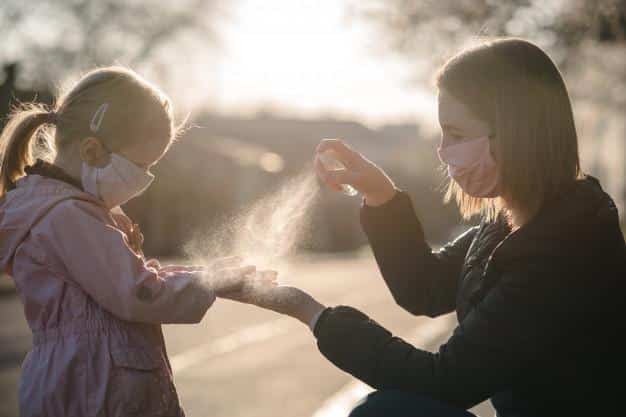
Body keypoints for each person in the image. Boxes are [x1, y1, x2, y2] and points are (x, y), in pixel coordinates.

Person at [222, 38, 626, 416]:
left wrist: (308, 312)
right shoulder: (510, 223)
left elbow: (446, 381)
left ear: (516, 132)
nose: (443, 150)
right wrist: (381, 195)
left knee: (387, 412)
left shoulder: (566, 246)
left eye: (456, 134)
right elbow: (426, 288)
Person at [0, 67, 269, 417]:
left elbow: (130, 279)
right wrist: (209, 282)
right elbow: (136, 292)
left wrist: (205, 274)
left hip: (89, 383)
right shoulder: (70, 218)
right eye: (141, 164)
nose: (145, 178)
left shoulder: (75, 212)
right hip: (92, 391)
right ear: (92, 151)